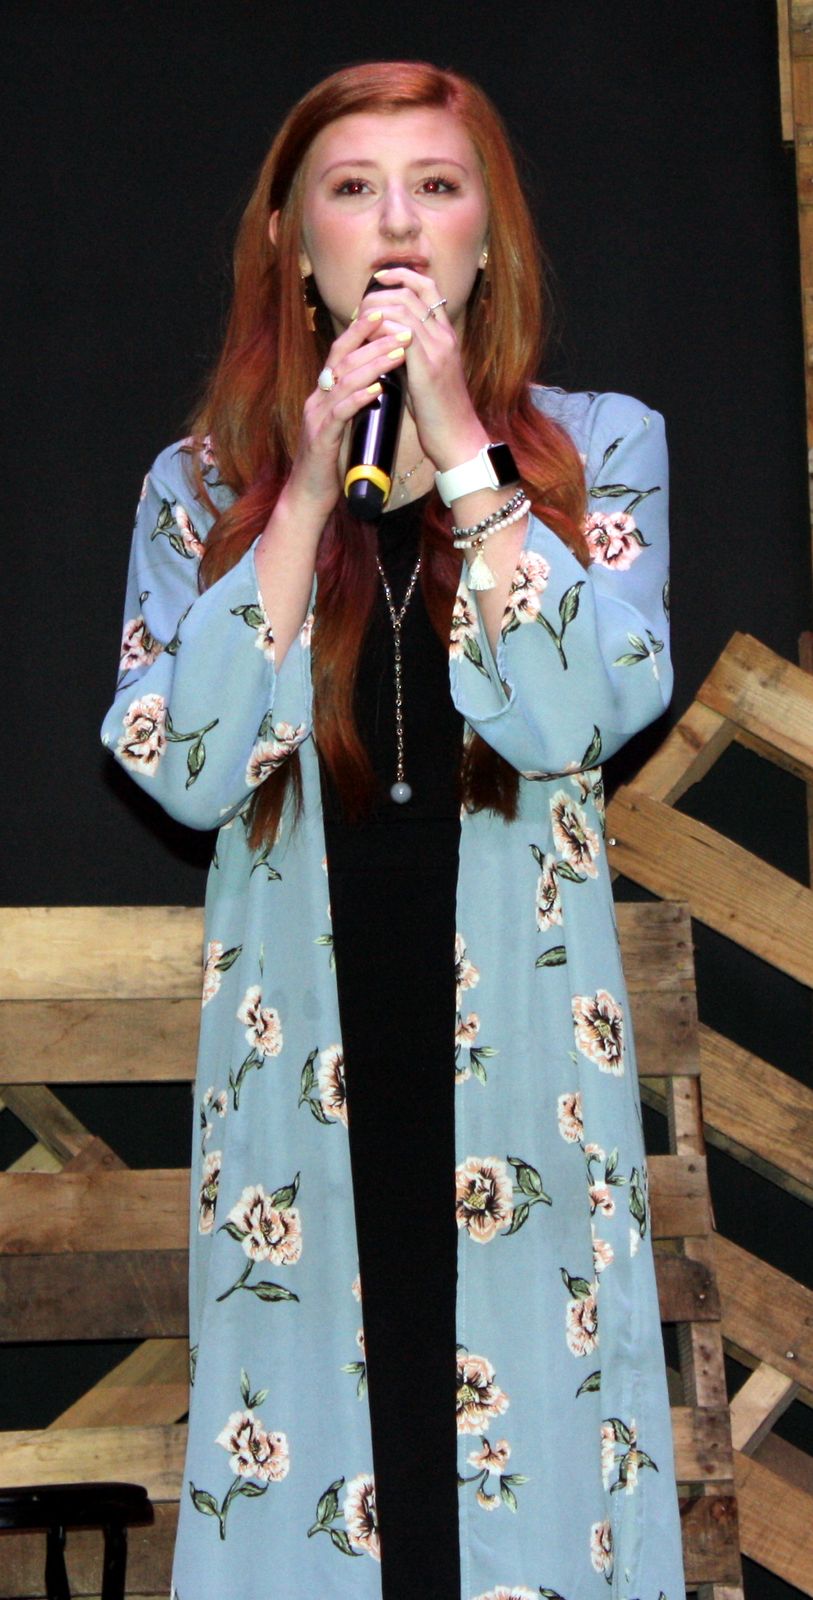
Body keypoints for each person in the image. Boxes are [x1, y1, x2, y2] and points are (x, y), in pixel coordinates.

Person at [102, 59, 685, 1600]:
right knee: (319, 1469)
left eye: (436, 186)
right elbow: (180, 766)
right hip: (306, 1057)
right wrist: (302, 492)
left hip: (524, 1065)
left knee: (526, 1469)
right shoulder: (198, 486)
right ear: (294, 244)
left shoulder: (602, 450)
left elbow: (578, 715)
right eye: (353, 190)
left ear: (489, 237)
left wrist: (467, 460)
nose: (399, 225)